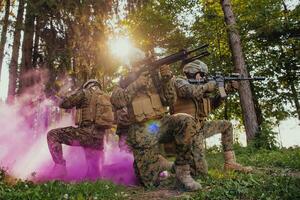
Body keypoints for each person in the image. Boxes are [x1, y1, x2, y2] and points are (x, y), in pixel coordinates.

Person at [110, 53, 203, 191]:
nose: (143, 65)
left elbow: (170, 101)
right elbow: (117, 101)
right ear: (133, 66)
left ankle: (183, 172)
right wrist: (135, 85)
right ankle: (162, 165)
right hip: (141, 131)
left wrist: (167, 80)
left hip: (160, 124)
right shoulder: (125, 81)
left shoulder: (156, 79)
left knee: (186, 120)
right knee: (150, 183)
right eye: (139, 63)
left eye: (144, 62)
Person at [172, 60, 253, 177]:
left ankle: (230, 163)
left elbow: (213, 105)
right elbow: (189, 92)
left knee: (227, 125)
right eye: (202, 74)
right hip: (186, 132)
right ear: (192, 72)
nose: (203, 77)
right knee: (201, 173)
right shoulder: (179, 82)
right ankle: (176, 167)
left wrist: (226, 89)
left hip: (200, 127)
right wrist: (208, 85)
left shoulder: (200, 88)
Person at [47, 79, 114, 179]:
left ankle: (60, 168)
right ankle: (96, 180)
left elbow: (64, 104)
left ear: (87, 86)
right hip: (99, 140)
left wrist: (63, 95)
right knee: (94, 174)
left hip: (85, 135)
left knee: (52, 135)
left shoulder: (85, 93)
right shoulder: (106, 97)